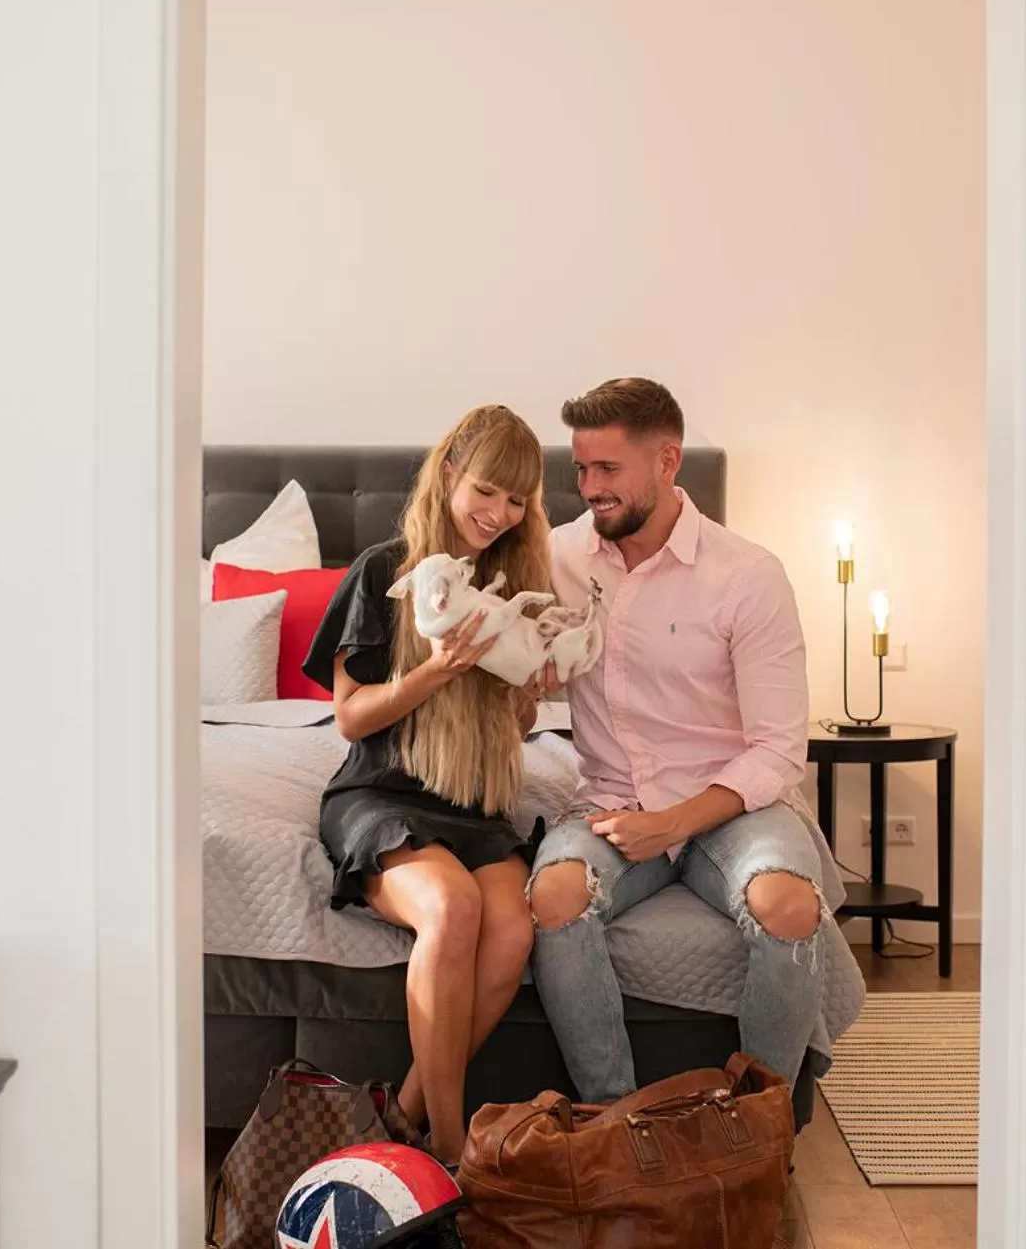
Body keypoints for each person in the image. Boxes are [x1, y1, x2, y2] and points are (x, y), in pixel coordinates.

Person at [527, 377, 825, 1103]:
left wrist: (672, 822)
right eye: (579, 469)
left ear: (667, 460)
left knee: (789, 905)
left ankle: (758, 1127)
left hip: (733, 805)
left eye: (607, 470)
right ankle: (615, 1121)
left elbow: (779, 748)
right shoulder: (556, 558)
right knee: (556, 895)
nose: (589, 488)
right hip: (610, 795)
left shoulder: (747, 576)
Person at [301, 404, 556, 1165]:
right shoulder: (385, 570)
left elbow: (510, 728)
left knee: (512, 929)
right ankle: (451, 1151)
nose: (498, 513)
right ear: (449, 473)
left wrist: (524, 687)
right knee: (452, 907)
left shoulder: (511, 584)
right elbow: (350, 717)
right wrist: (434, 670)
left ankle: (403, 1116)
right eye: (486, 490)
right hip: (381, 794)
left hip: (469, 804)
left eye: (517, 501)